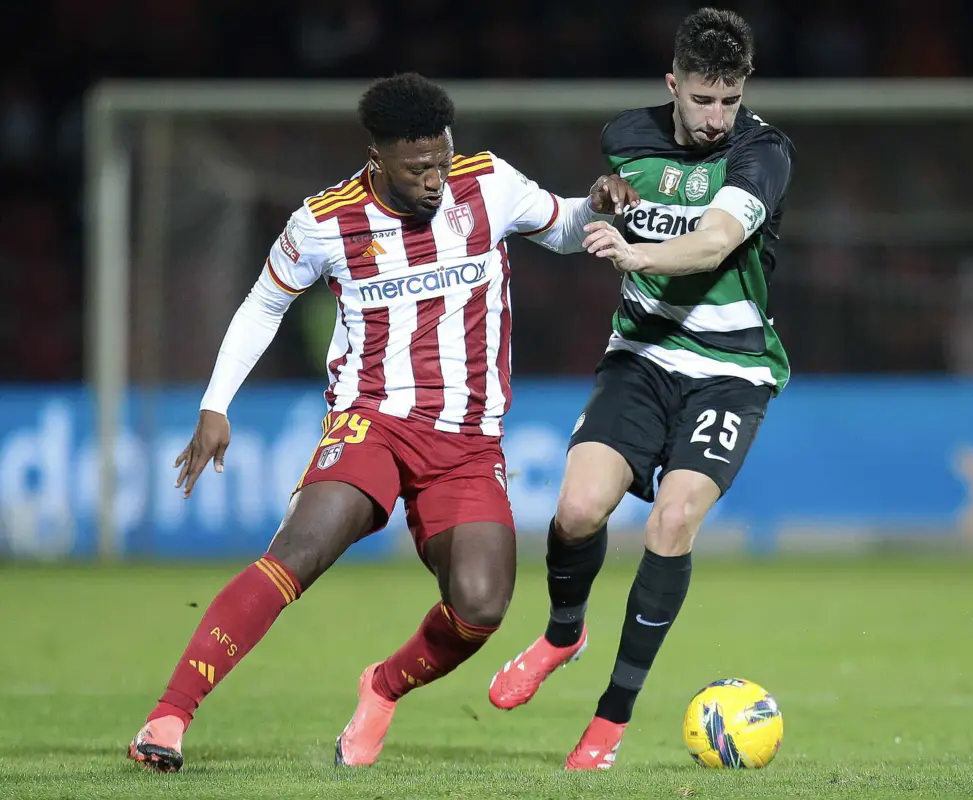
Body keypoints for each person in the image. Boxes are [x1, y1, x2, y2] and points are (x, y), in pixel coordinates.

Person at [126, 72, 640, 773]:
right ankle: (168, 717)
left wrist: (599, 202)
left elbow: (569, 228)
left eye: (441, 157)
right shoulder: (324, 222)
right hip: (373, 421)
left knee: (481, 609)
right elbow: (263, 305)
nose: (435, 176)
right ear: (378, 158)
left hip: (467, 440)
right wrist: (217, 403)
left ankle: (382, 686)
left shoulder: (487, 184)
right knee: (299, 551)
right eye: (417, 165)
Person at [487, 8, 796, 770]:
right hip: (642, 357)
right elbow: (624, 185)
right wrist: (608, 197)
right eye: (702, 99)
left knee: (672, 519)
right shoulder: (625, 134)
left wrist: (636, 252)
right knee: (577, 509)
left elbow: (718, 239)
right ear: (673, 84)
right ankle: (564, 633)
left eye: (730, 99)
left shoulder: (764, 153)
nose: (717, 117)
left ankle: (610, 721)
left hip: (731, 371)